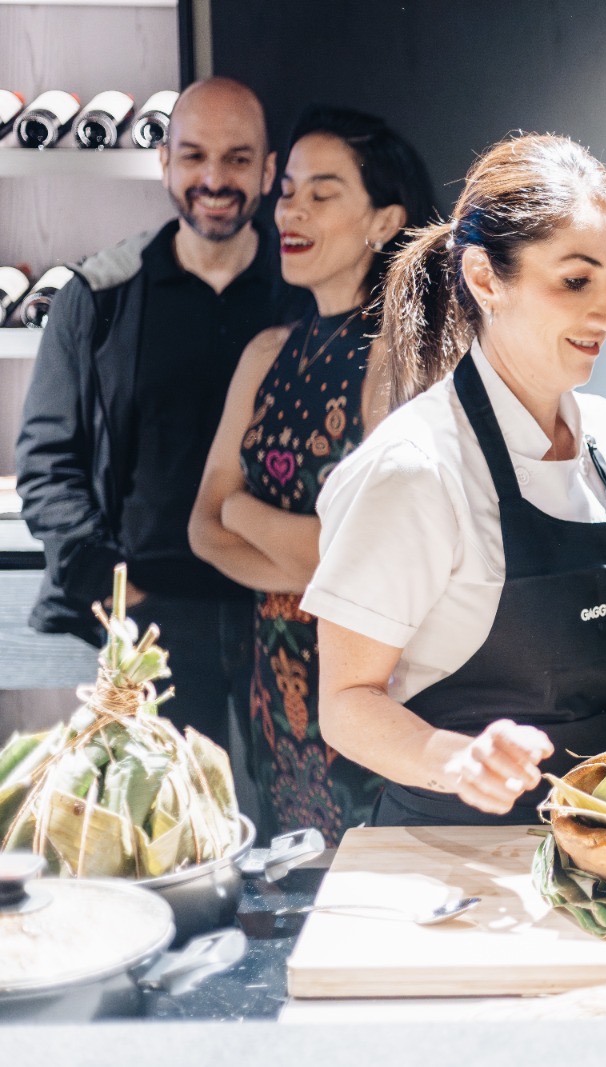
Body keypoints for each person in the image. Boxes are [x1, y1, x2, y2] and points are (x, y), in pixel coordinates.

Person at [301, 133, 606, 827]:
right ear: (484, 278)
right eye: (575, 279)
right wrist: (457, 760)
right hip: (458, 866)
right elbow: (346, 701)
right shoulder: (416, 467)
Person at [16, 77, 297, 748]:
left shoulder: (304, 293)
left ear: (266, 171)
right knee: (175, 833)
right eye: (194, 155)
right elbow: (47, 465)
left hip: (281, 608)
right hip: (151, 613)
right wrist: (118, 589)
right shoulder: (99, 295)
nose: (214, 177)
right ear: (164, 162)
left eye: (236, 158)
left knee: (296, 830)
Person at [188, 106, 435, 839]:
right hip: (270, 680)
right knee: (292, 882)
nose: (289, 208)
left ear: (384, 220)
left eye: (321, 194)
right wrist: (311, 552)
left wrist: (246, 515)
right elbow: (202, 524)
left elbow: (364, 554)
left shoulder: (398, 355)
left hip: (366, 686)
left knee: (367, 899)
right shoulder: (267, 352)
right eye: (288, 189)